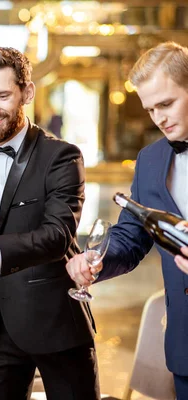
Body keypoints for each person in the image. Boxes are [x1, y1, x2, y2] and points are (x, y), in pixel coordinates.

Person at [0, 47, 99, 400]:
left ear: (26, 93)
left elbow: (57, 236)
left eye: (2, 95)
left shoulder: (62, 157)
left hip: (57, 324)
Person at [66, 41, 188, 398]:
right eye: (150, 109)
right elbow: (131, 237)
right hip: (185, 347)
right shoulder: (150, 160)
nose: (159, 118)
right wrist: (98, 259)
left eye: (166, 104)